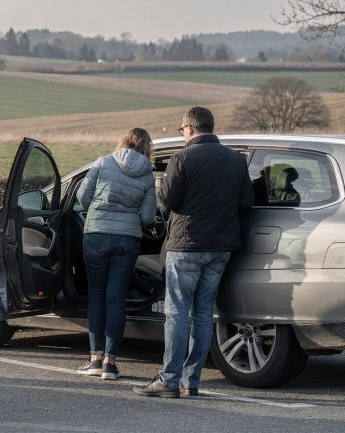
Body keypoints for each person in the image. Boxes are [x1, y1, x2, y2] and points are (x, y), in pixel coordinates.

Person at [134, 106, 254, 398]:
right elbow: (246, 202)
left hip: (187, 246)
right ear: (210, 127)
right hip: (221, 247)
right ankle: (192, 380)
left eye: (182, 130)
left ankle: (169, 380)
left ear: (189, 128)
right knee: (203, 314)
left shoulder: (182, 158)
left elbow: (168, 201)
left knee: (176, 314)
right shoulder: (235, 161)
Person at [75, 128, 156, 381]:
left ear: (124, 141)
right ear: (146, 147)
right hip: (127, 239)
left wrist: (97, 212)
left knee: (97, 296)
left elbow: (81, 196)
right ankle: (110, 364)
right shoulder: (147, 175)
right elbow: (148, 217)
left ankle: (95, 359)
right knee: (116, 298)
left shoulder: (103, 162)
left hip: (97, 234)